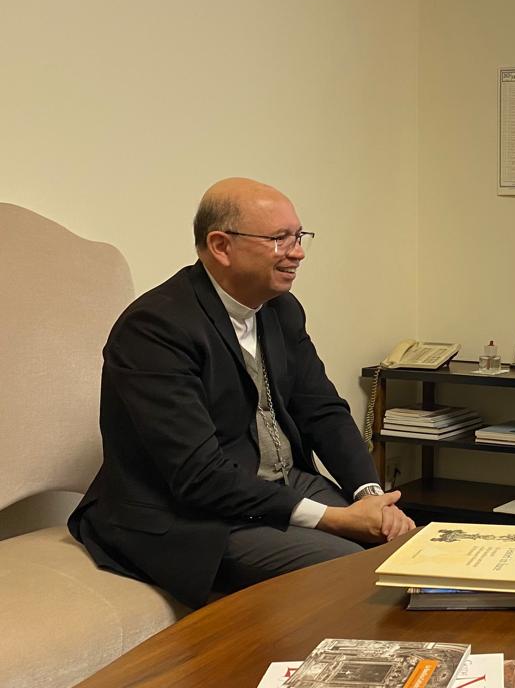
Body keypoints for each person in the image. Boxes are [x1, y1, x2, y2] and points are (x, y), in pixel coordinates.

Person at [69, 178, 416, 608]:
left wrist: (371, 497)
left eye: (299, 236)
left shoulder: (281, 309)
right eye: (279, 239)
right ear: (220, 246)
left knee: (408, 551)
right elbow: (200, 477)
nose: (298, 251)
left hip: (279, 485)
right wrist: (334, 519)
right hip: (191, 516)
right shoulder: (154, 330)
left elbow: (323, 411)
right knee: (351, 572)